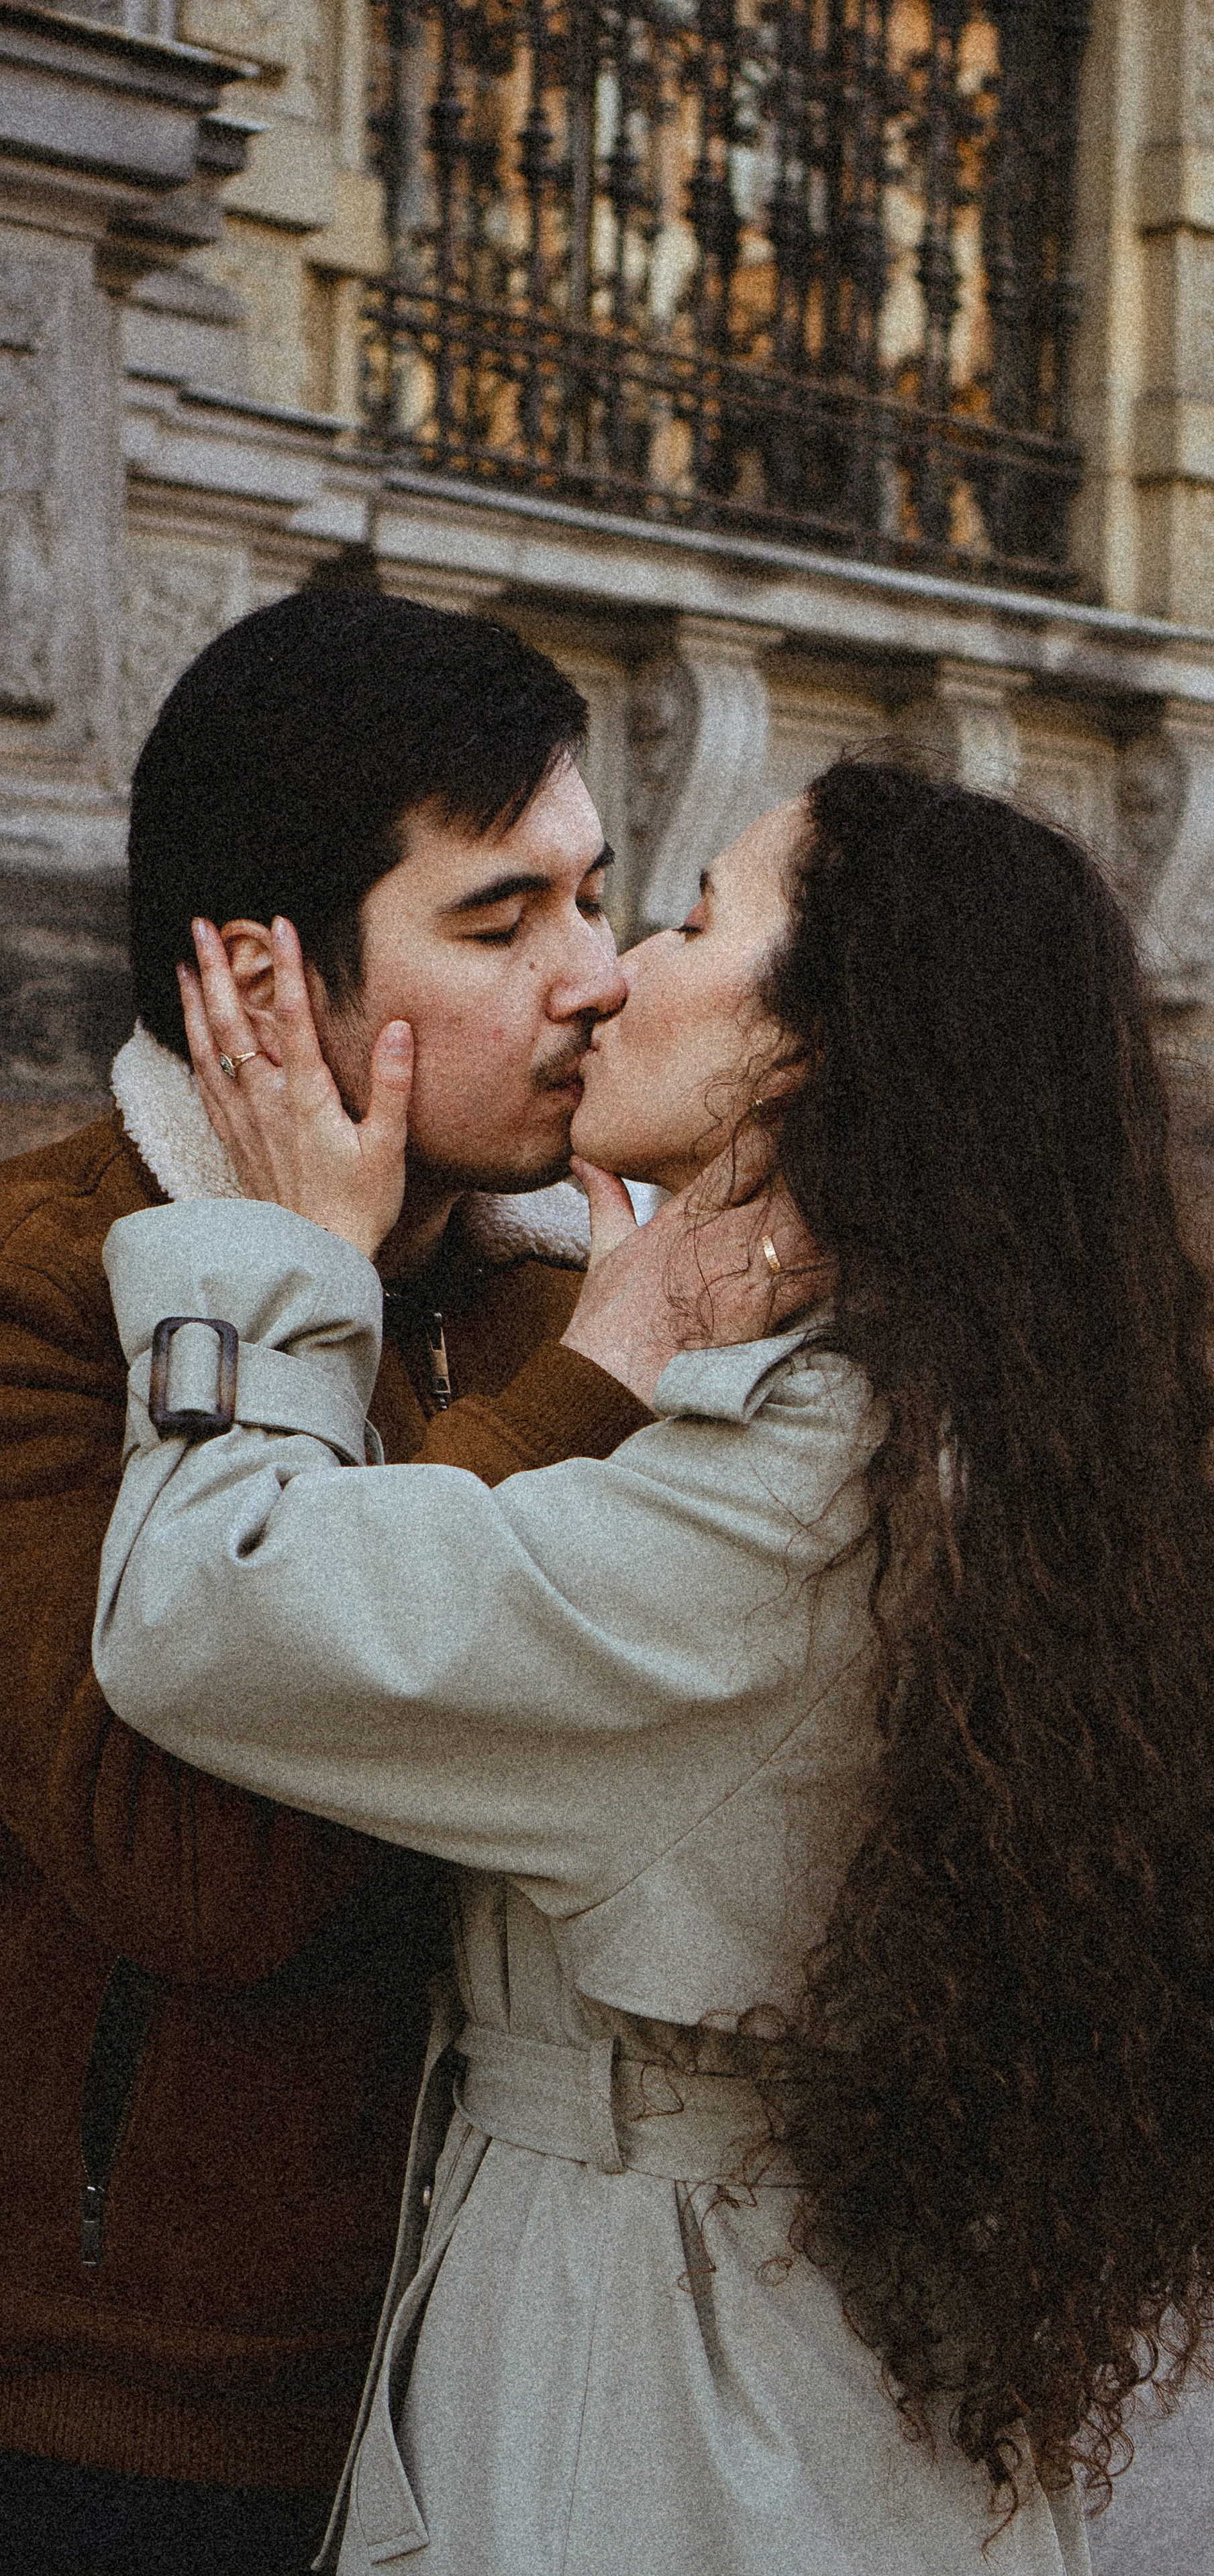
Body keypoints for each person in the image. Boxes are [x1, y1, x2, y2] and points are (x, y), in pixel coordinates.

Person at [92, 757, 1214, 2575]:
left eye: (691, 918)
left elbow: (215, 1613)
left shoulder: (799, 1493)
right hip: (791, 2341)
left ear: (808, 1050)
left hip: (663, 2393)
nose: (611, 968)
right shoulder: (943, 1400)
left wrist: (278, 1256)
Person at [0, 586, 799, 2576]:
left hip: (466, 2361)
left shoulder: (540, 1284)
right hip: (129, 2400)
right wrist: (561, 1384)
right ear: (263, 980)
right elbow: (202, 1876)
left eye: (599, 900)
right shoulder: (42, 1288)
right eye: (499, 922)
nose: (597, 980)